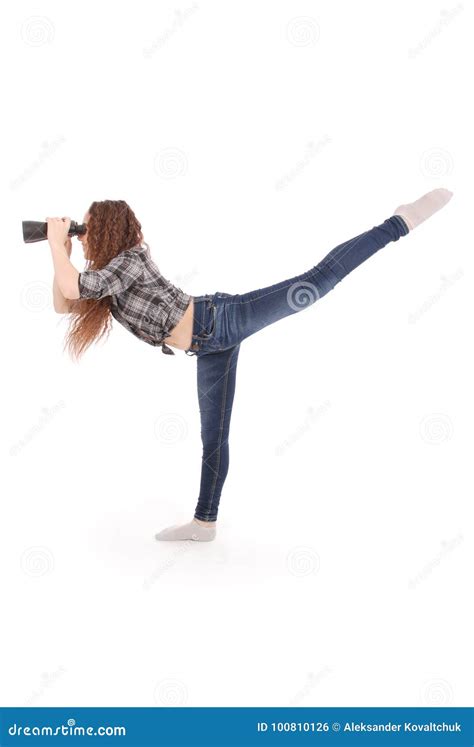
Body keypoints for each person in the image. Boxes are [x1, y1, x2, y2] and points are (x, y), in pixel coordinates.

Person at [48, 188, 453, 543]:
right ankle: (204, 523)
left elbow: (73, 287)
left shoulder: (131, 258)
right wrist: (61, 253)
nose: (82, 240)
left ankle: (398, 222)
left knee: (317, 281)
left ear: (106, 229)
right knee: (214, 438)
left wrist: (54, 241)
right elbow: (64, 302)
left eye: (85, 231)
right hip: (210, 346)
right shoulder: (110, 274)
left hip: (223, 317)